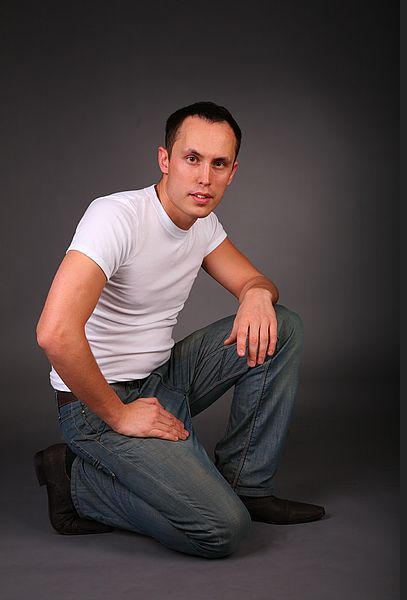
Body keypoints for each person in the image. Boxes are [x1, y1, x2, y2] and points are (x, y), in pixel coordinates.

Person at [35, 101, 325, 558]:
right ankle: (75, 481)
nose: (204, 178)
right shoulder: (117, 217)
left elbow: (255, 281)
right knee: (221, 530)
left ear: (232, 172)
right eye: (192, 159)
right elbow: (54, 332)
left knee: (281, 325)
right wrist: (119, 414)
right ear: (165, 160)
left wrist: (254, 292)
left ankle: (247, 485)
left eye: (219, 164)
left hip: (164, 377)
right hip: (97, 402)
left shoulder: (204, 224)